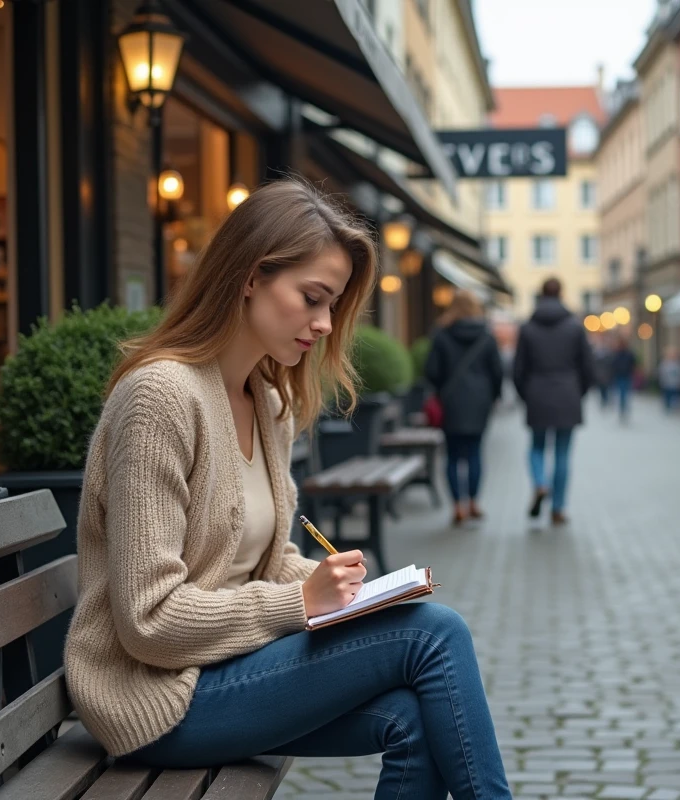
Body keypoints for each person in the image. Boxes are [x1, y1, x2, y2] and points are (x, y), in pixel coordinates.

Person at [64, 179, 512, 798]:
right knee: (434, 633)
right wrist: (300, 603)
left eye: (332, 306)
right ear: (251, 277)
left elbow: (265, 563)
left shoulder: (267, 401)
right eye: (312, 298)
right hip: (155, 697)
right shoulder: (161, 398)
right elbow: (148, 620)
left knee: (415, 717)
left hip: (222, 671)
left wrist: (351, 592)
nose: (325, 324)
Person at [512, 277, 596, 525]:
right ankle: (558, 508)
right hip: (568, 394)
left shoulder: (527, 327)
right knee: (562, 454)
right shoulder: (574, 326)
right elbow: (588, 367)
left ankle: (540, 483)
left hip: (537, 394)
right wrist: (578, 392)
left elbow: (518, 369)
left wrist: (526, 394)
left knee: (536, 447)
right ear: (562, 293)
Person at [424, 290, 504, 526]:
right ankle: (473, 503)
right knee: (475, 453)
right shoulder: (486, 335)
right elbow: (497, 371)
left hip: (451, 402)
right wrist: (494, 396)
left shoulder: (441, 334)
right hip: (480, 402)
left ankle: (457, 506)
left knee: (452, 456)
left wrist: (440, 391)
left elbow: (431, 371)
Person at [609, 334, 637, 422]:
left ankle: (623, 408)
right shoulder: (617, 353)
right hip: (620, 376)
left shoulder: (626, 354)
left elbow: (632, 364)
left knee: (623, 393)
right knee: (623, 393)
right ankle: (623, 408)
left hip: (625, 375)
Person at [659, 346, 680, 412]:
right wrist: (662, 381)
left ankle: (675, 408)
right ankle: (667, 408)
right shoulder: (664, 363)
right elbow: (662, 373)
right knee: (667, 397)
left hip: (677, 384)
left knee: (676, 398)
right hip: (667, 384)